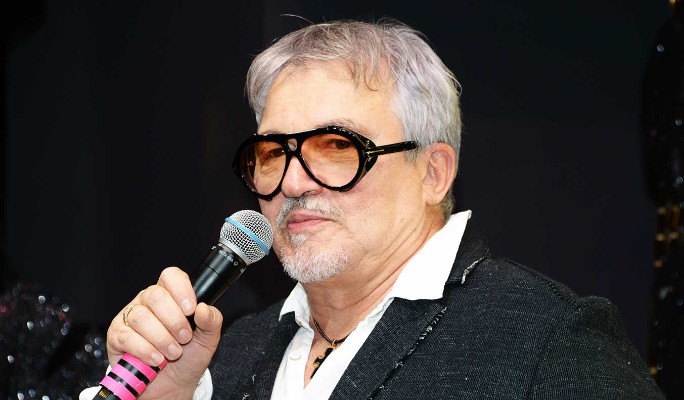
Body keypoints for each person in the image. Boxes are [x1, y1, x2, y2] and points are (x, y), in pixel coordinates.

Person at [81, 19, 663, 399]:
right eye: (273, 153)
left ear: (433, 173)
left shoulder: (549, 341)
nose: (293, 182)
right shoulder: (222, 359)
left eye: (337, 148)